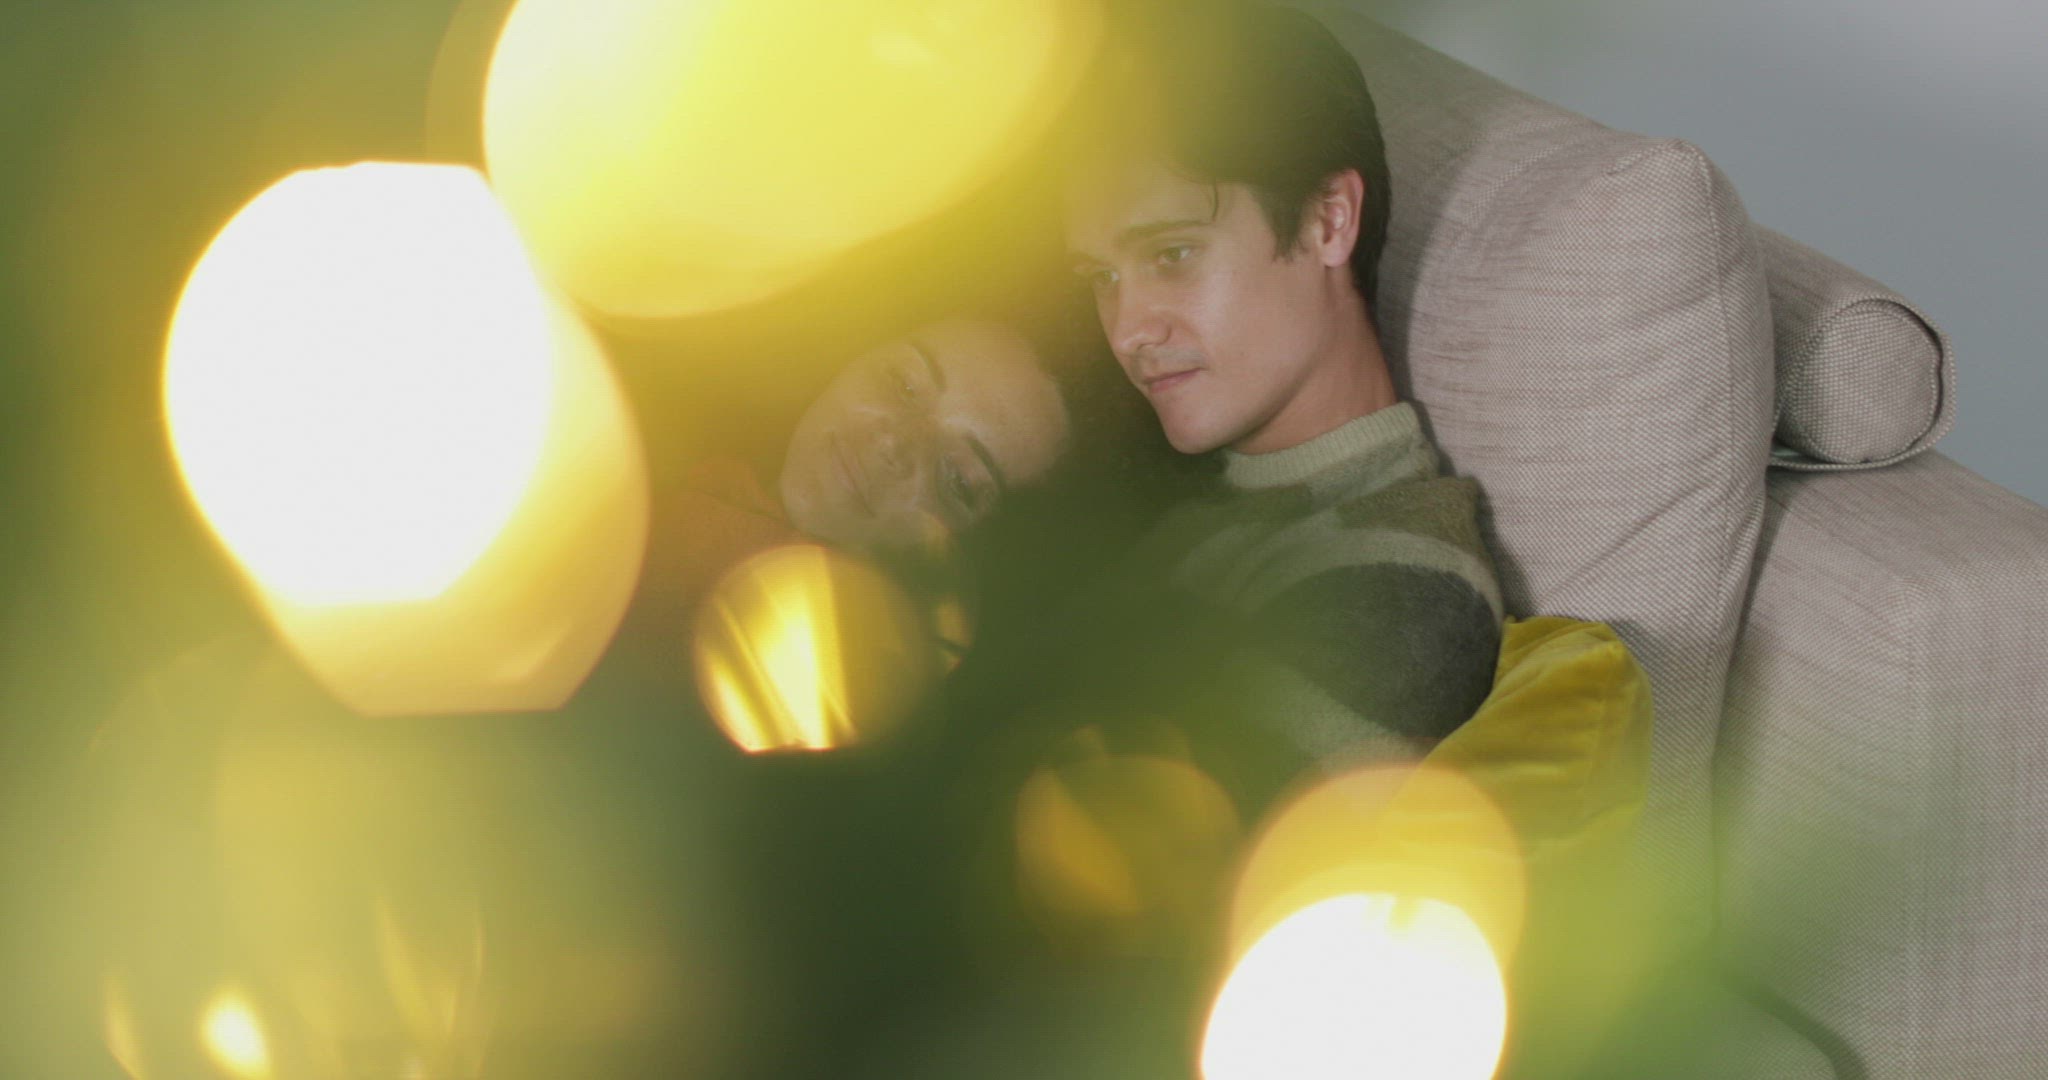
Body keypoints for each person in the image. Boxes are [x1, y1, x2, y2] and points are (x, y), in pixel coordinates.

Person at [1050, 0, 1507, 814]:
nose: (1126, 331)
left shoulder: (1401, 590)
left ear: (1330, 220)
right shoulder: (1159, 473)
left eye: (1172, 254)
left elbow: (1153, 862)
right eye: (1103, 278)